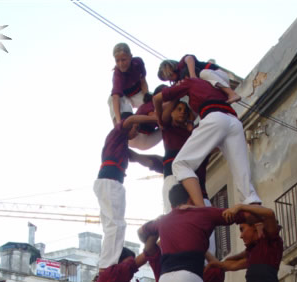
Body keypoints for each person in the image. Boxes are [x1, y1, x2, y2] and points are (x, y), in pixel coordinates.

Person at [153, 77, 260, 208]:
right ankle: (258, 217)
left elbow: (156, 99)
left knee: (180, 164)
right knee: (244, 182)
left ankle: (202, 210)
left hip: (215, 117)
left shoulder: (189, 82)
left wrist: (159, 118)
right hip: (234, 122)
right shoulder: (213, 84)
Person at [93, 112, 159, 270]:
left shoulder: (119, 145)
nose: (136, 132)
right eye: (135, 128)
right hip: (111, 181)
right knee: (116, 225)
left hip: (108, 181)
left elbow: (144, 159)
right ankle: (108, 265)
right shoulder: (118, 133)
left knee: (112, 224)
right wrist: (156, 119)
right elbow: (131, 119)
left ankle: (107, 262)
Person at [158, 54, 240, 104]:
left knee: (203, 73)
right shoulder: (179, 80)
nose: (170, 80)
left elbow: (189, 58)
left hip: (218, 75)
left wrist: (193, 76)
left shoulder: (181, 65)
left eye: (170, 76)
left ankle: (232, 94)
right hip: (213, 86)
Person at [108, 43, 148, 124]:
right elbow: (116, 97)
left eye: (123, 60)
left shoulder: (138, 62)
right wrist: (119, 122)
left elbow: (143, 81)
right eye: (117, 61)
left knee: (152, 102)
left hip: (137, 93)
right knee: (111, 99)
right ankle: (118, 126)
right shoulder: (117, 74)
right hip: (124, 97)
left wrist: (147, 97)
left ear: (130, 57)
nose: (121, 64)